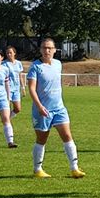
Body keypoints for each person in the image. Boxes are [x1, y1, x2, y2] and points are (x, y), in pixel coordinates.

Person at [27, 37, 85, 177]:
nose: (47, 50)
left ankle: (74, 168)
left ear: (54, 50)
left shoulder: (58, 64)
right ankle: (37, 170)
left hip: (59, 108)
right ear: (40, 50)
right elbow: (32, 89)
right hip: (43, 110)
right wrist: (39, 106)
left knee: (67, 136)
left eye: (49, 48)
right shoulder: (35, 67)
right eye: (44, 48)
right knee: (41, 139)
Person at [4, 45, 25, 117]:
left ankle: (8, 118)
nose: (9, 54)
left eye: (10, 53)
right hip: (7, 89)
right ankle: (7, 122)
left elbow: (20, 75)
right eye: (7, 53)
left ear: (14, 53)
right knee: (7, 108)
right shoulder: (4, 64)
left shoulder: (18, 63)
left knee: (18, 109)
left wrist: (23, 88)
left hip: (16, 89)